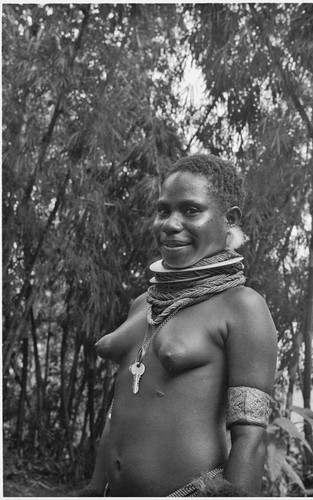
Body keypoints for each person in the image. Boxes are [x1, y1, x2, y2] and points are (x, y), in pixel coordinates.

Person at [82, 154, 278, 497]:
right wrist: (94, 489)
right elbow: (117, 415)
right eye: (163, 210)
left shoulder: (243, 307)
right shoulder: (144, 303)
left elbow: (251, 438)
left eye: (190, 210)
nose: (170, 224)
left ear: (229, 219)